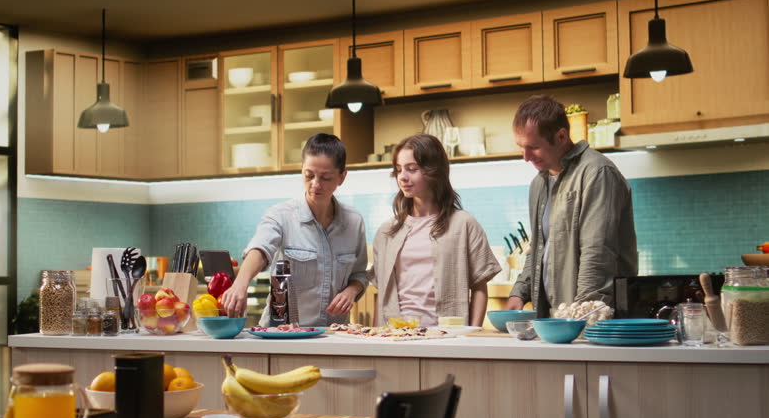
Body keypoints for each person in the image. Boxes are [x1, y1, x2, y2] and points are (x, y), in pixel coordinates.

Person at [507, 95, 638, 316]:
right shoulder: (539, 184)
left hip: (595, 318)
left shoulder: (597, 173)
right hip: (558, 319)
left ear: (561, 136)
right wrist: (520, 291)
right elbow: (539, 248)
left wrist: (584, 314)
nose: (525, 157)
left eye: (533, 147)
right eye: (521, 147)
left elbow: (597, 252)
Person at [221, 133, 368, 326]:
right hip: (283, 334)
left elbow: (359, 275)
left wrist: (351, 291)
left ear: (342, 177)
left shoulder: (354, 222)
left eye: (325, 177)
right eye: (309, 175)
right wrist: (241, 283)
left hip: (333, 335)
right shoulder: (281, 215)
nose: (315, 184)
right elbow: (261, 249)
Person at [372, 134, 501, 327]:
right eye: (399, 170)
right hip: (395, 337)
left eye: (412, 169)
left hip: (446, 338)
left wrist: (472, 335)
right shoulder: (387, 231)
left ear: (433, 171)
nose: (403, 177)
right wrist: (375, 339)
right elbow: (382, 293)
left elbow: (480, 287)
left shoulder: (464, 224)